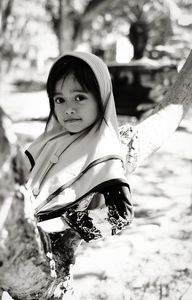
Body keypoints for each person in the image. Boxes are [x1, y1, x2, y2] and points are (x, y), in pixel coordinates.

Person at [24, 52, 135, 297]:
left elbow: (121, 215)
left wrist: (65, 222)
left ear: (102, 98)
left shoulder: (103, 150)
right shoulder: (51, 138)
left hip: (42, 255)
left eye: (80, 97)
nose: (69, 109)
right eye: (60, 100)